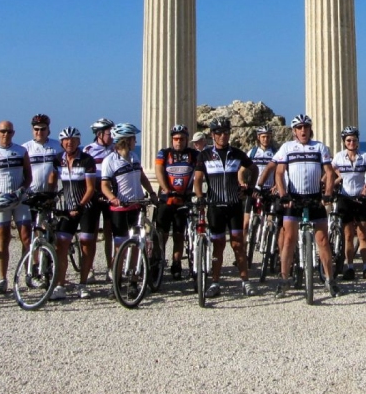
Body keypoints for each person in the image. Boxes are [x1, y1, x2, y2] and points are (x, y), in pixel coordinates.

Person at [272, 114, 339, 298]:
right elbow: (279, 173)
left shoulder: (319, 147)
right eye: (299, 128)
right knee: (288, 240)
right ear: (294, 131)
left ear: (310, 129)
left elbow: (329, 173)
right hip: (293, 198)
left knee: (323, 240)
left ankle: (330, 280)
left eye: (306, 127)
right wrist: (283, 195)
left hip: (315, 198)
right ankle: (284, 280)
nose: (303, 130)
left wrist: (327, 195)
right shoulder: (287, 147)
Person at [193, 118, 256, 297]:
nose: (223, 136)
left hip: (234, 206)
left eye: (226, 132)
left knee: (238, 244)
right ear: (212, 135)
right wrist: (200, 197)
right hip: (215, 207)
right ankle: (215, 282)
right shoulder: (205, 155)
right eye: (219, 133)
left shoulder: (236, 153)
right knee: (218, 245)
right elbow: (198, 179)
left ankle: (245, 281)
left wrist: (249, 188)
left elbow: (253, 169)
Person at [53, 127, 99, 299]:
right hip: (67, 208)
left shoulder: (87, 160)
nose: (69, 143)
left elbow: (90, 188)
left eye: (73, 140)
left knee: (86, 243)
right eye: (66, 140)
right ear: (61, 142)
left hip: (86, 207)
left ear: (79, 142)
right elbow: (52, 181)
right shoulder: (58, 160)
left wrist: (80, 206)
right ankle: (60, 285)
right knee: (61, 244)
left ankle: (83, 283)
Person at [0, 120, 32, 296]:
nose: (6, 134)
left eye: (9, 131)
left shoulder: (21, 151)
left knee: (26, 238)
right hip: (0, 201)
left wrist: (22, 190)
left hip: (20, 199)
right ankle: (2, 278)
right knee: (3, 239)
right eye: (2, 131)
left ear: (13, 133)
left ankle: (27, 274)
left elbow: (29, 175)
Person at [100, 123, 157, 253]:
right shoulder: (110, 160)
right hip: (120, 208)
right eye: (133, 138)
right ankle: (117, 267)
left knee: (137, 244)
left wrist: (152, 193)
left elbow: (142, 177)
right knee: (120, 247)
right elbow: (104, 186)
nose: (135, 141)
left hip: (136, 205)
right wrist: (113, 198)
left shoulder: (134, 156)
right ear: (126, 140)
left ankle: (136, 267)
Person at [154, 124, 197, 280]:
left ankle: (176, 264)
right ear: (172, 140)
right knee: (161, 235)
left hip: (183, 200)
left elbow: (201, 170)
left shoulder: (193, 154)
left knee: (179, 235)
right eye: (176, 139)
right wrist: (166, 189)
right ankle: (157, 262)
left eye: (182, 139)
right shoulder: (164, 153)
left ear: (186, 140)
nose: (179, 141)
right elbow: (158, 171)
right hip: (166, 200)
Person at [331, 126, 366, 281]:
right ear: (344, 142)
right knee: (348, 235)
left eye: (354, 140)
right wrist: (337, 178)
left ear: (357, 141)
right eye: (348, 140)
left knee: (363, 234)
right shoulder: (338, 157)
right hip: (345, 198)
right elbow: (329, 171)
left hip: (361, 198)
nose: (351, 143)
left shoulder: (365, 156)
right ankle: (349, 267)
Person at [83, 118, 116, 276]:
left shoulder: (115, 149)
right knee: (93, 232)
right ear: (99, 134)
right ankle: (89, 268)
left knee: (110, 231)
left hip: (110, 191)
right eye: (110, 133)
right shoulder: (89, 150)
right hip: (95, 192)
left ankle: (111, 266)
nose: (112, 136)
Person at [24, 114, 62, 194]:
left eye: (43, 129)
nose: (39, 132)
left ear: (48, 129)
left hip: (53, 194)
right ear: (32, 130)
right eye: (36, 129)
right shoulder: (25, 148)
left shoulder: (59, 146)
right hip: (31, 193)